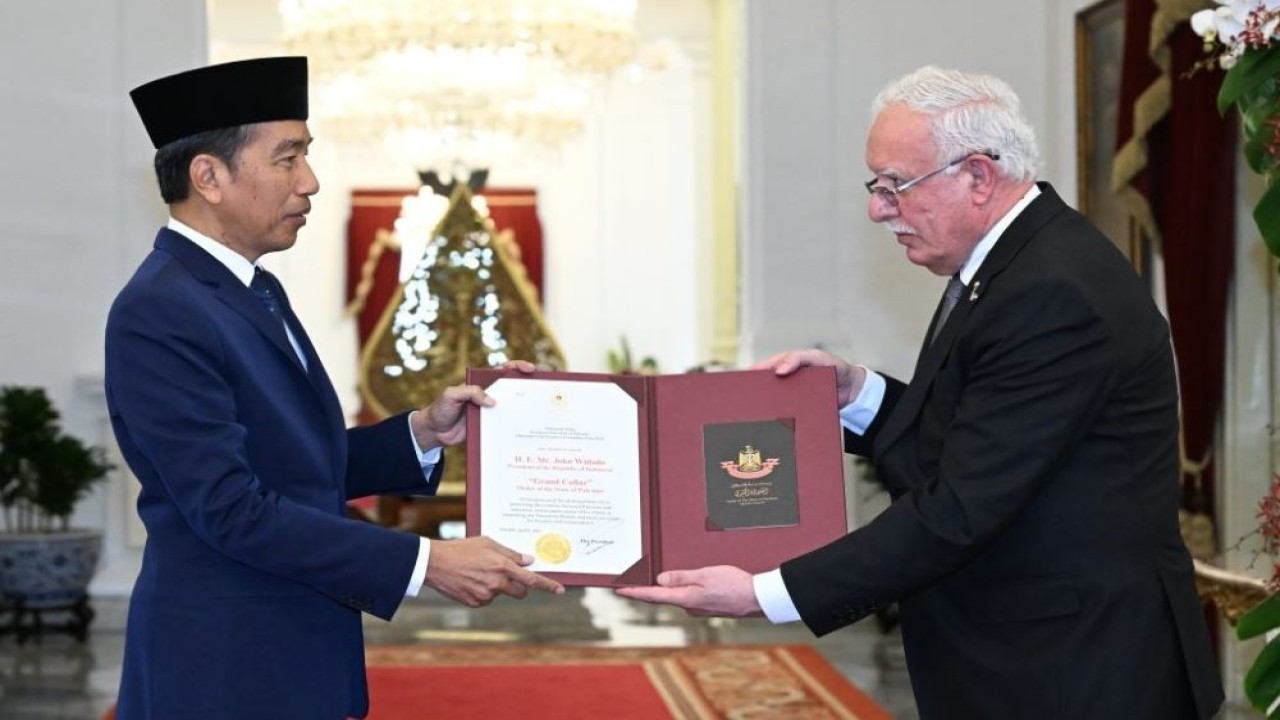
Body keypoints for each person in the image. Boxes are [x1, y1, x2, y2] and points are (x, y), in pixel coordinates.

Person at [618, 65, 1224, 719]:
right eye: (876, 187)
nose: (879, 210)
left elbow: (960, 506)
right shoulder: (1014, 262)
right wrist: (854, 393)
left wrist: (767, 591)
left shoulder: (1053, 291)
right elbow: (969, 439)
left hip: (1073, 669)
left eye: (895, 186)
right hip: (1033, 653)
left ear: (978, 176)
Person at [105, 56, 563, 719]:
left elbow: (295, 466)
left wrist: (423, 432)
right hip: (224, 661)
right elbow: (231, 508)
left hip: (294, 636)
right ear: (208, 176)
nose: (310, 182)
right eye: (288, 158)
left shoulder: (254, 287)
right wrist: (425, 560)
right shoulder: (160, 308)